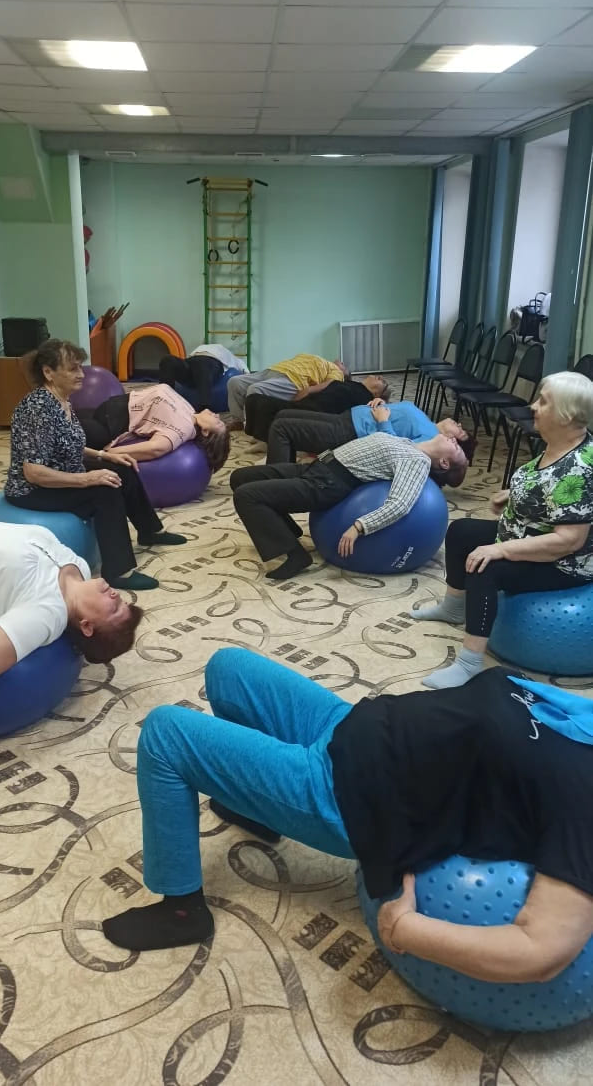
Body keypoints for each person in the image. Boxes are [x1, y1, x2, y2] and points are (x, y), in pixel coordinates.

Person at [102, 647, 593, 984]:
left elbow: (544, 950)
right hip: (350, 724)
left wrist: (406, 930)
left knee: (165, 735)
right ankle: (254, 808)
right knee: (226, 668)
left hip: (348, 796)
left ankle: (181, 910)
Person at [410, 371, 593, 689]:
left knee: (485, 565)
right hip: (528, 532)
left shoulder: (578, 468)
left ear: (566, 416)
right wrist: (514, 495)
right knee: (462, 531)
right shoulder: (562, 442)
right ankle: (453, 608)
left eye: (543, 402)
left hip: (563, 564)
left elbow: (568, 540)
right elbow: (548, 487)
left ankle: (469, 664)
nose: (533, 406)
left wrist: (500, 549)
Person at [5, 339, 187, 594]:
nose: (81, 374)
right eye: (72, 369)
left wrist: (104, 456)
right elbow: (33, 472)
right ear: (48, 372)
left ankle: (150, 531)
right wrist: (88, 479)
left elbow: (69, 444)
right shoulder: (37, 408)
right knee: (105, 489)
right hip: (33, 490)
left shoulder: (62, 400)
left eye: (80, 367)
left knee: (121, 468)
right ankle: (119, 571)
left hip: (62, 473)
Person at [231, 431, 466, 580]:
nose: (454, 440)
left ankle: (295, 555)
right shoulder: (408, 444)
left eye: (456, 448)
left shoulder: (417, 461)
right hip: (316, 467)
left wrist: (358, 527)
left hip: (325, 484)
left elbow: (400, 504)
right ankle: (283, 529)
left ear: (444, 463)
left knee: (246, 496)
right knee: (240, 478)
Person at [0, 521, 143, 682]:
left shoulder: (45, 612)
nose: (117, 596)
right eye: (124, 602)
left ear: (87, 626)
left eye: (114, 609)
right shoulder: (81, 568)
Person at [266, 398, 476, 465]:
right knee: (282, 415)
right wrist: (384, 403)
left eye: (461, 432)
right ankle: (282, 473)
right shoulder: (427, 421)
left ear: (452, 441)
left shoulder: (431, 439)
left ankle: (276, 486)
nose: (459, 424)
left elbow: (398, 452)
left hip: (351, 432)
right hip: (347, 418)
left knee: (281, 428)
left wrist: (383, 421)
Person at [77, 383, 230, 471]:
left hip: (110, 424)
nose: (217, 415)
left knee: (65, 428)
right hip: (110, 410)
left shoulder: (184, 429)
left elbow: (156, 448)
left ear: (205, 431)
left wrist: (108, 454)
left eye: (217, 422)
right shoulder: (191, 413)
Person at [244, 372, 392, 443]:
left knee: (278, 416)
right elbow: (310, 390)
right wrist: (293, 403)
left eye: (382, 381)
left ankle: (268, 443)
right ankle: (261, 438)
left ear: (378, 393)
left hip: (321, 416)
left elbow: (383, 412)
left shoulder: (369, 399)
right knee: (253, 399)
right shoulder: (340, 382)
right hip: (304, 406)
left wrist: (380, 401)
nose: (378, 377)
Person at [227, 353, 348, 426]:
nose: (341, 362)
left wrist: (308, 390)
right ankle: (238, 420)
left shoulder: (337, 372)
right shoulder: (323, 361)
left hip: (294, 380)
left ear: (344, 372)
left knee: (255, 390)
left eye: (343, 365)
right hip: (275, 370)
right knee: (234, 382)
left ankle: (250, 427)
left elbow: (330, 384)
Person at [158, 343, 247, 412]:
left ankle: (204, 408)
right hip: (191, 362)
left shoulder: (223, 350)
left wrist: (247, 376)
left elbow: (243, 368)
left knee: (201, 364)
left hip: (210, 362)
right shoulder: (199, 348)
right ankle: (164, 402)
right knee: (167, 360)